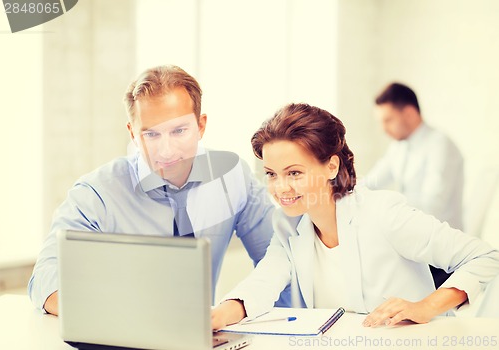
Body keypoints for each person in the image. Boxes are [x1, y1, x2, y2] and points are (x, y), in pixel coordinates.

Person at [211, 103, 499, 330]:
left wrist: (426, 306)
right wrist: (216, 317)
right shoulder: (288, 225)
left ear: (331, 166)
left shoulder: (383, 213)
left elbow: (485, 257)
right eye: (271, 174)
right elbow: (263, 281)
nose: (280, 188)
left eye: (294, 173)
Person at [28, 65, 278, 316]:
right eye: (151, 134)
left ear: (201, 126)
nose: (166, 150)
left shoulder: (233, 178)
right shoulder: (97, 193)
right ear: (133, 134)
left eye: (179, 131)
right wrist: (120, 319)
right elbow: (46, 279)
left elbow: (278, 257)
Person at [364, 82, 464, 288]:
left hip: (440, 254)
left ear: (409, 113)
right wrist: (340, 187)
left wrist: (385, 208)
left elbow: (432, 205)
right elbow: (372, 181)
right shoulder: (399, 147)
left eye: (388, 120)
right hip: (414, 244)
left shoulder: (440, 145)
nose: (383, 129)